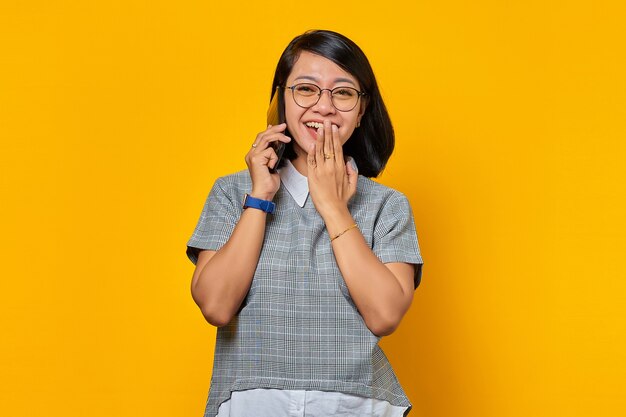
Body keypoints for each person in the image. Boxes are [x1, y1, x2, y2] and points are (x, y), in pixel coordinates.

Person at [186, 29, 423, 417]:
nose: (324, 106)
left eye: (343, 92)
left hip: (356, 404)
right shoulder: (232, 193)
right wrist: (260, 198)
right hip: (251, 402)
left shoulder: (388, 206)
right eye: (306, 89)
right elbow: (216, 305)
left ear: (362, 111)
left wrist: (333, 207)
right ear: (281, 101)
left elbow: (384, 314)